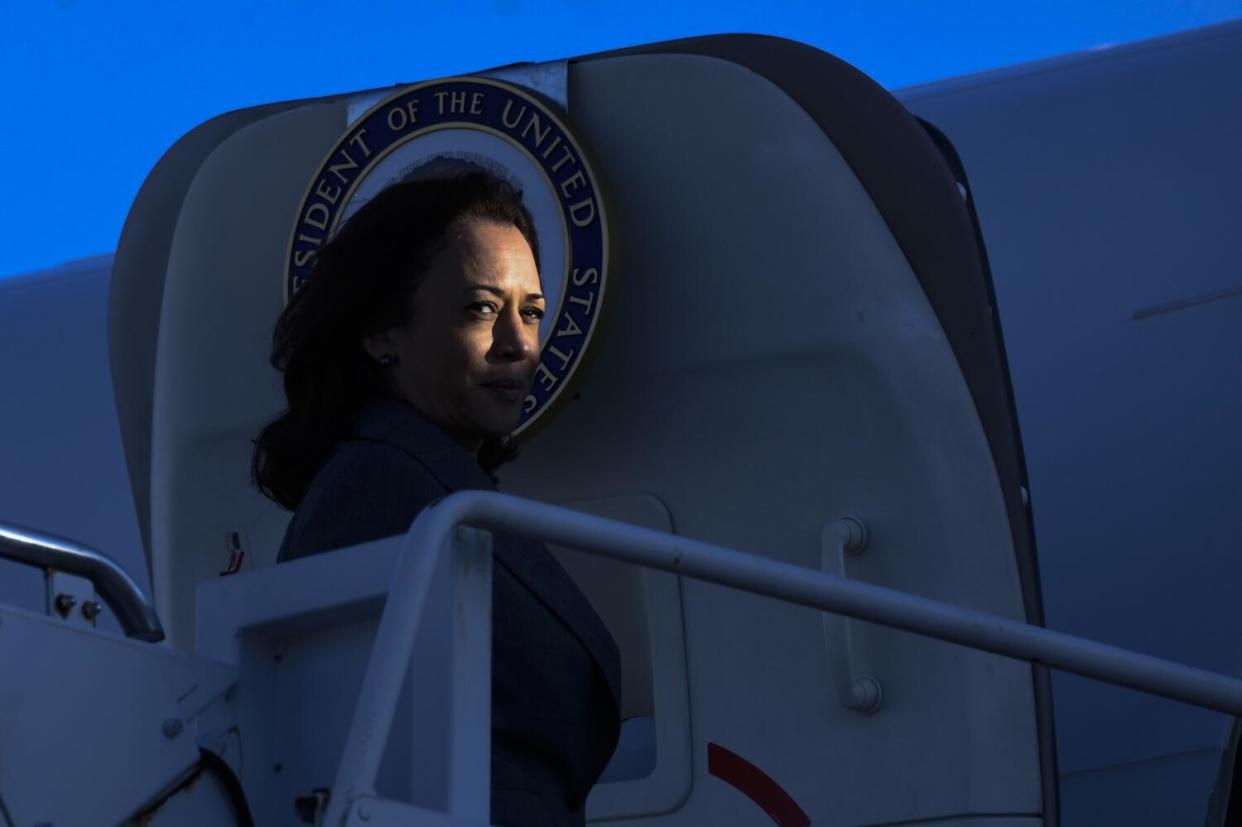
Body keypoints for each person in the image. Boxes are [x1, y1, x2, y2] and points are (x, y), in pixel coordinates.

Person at [252, 168, 621, 827]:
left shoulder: (438, 486)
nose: (518, 343)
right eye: (482, 308)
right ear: (380, 333)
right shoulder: (377, 485)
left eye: (531, 312)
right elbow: (336, 760)